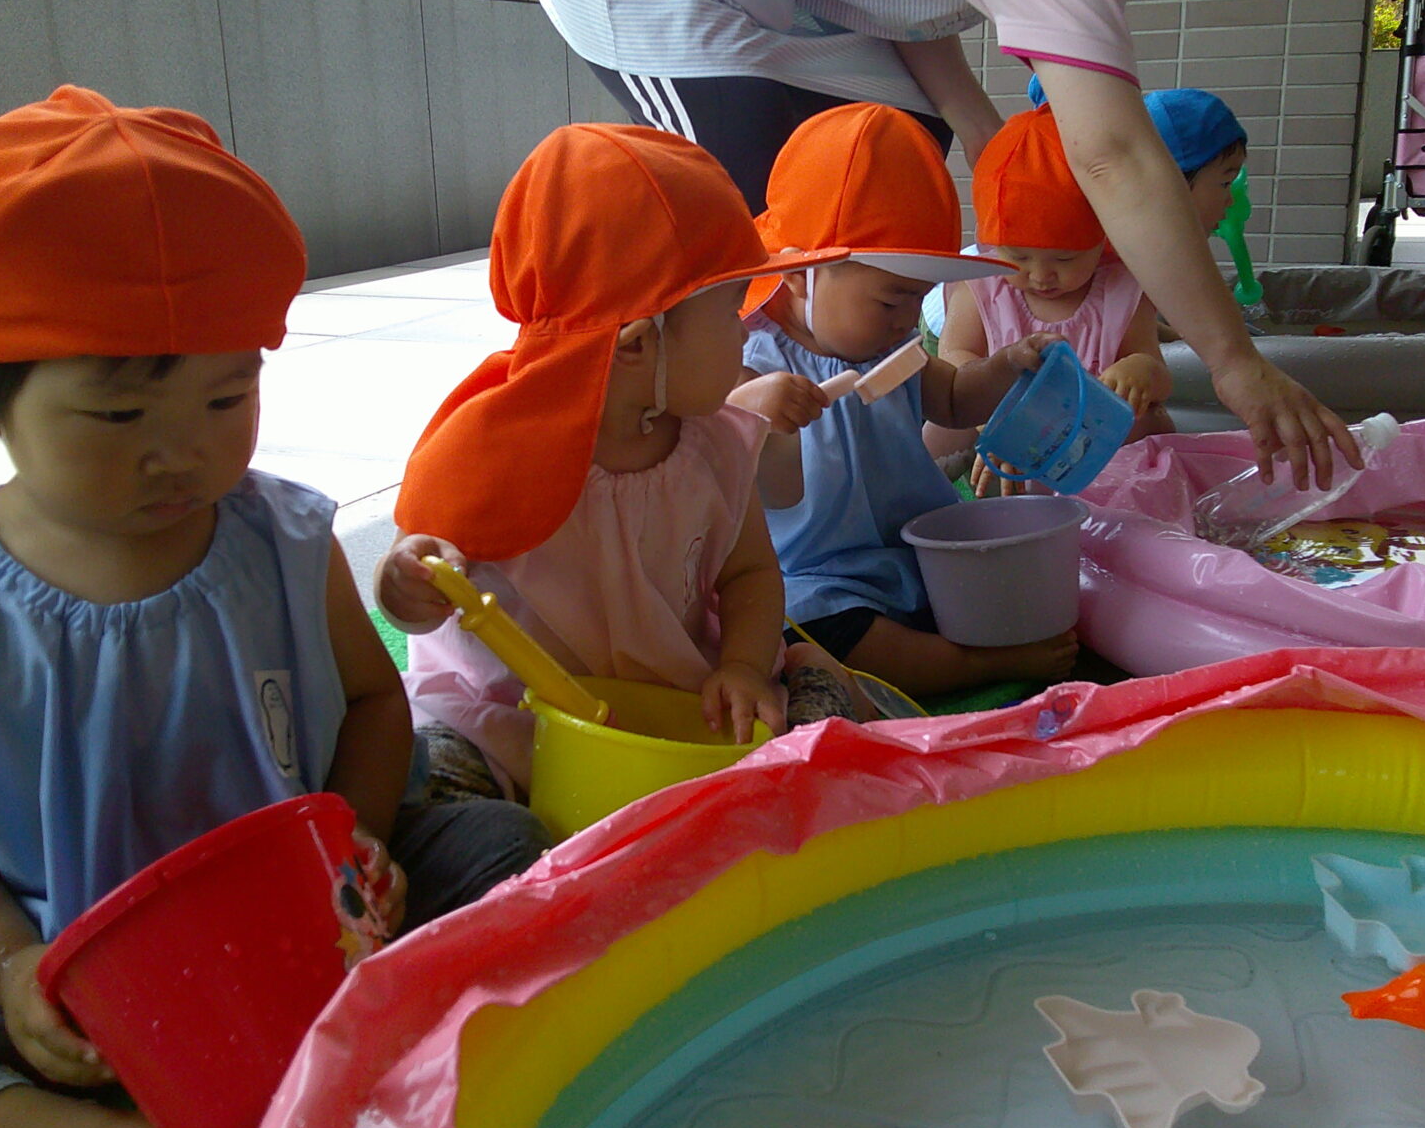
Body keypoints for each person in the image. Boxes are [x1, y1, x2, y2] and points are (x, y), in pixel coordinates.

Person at [0, 88, 546, 1128]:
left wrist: (358, 838)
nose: (181, 453)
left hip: (296, 925)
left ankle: (331, 1054)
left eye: (228, 396)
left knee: (503, 849)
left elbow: (376, 705)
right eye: (121, 417)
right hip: (54, 954)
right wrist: (6, 966)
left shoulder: (285, 539)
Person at [532, 0, 1360, 490]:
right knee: (743, 251)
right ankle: (672, 483)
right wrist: (1236, 364)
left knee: (895, 177)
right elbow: (1114, 153)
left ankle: (868, 484)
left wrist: (989, 146)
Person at [375, 124, 865, 808]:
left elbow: (751, 573)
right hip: (516, 719)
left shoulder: (717, 444)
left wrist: (743, 667)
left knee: (812, 696)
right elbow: (422, 563)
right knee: (438, 774)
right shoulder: (493, 448)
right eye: (731, 312)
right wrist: (404, 584)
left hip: (678, 703)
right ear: (638, 343)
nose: (744, 334)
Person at [729, 103, 1079, 697]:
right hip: (818, 573)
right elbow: (717, 448)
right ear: (796, 275)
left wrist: (1006, 366)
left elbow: (955, 399)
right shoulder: (755, 358)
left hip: (923, 548)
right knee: (816, 629)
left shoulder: (893, 351)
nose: (907, 320)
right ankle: (979, 665)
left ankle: (972, 640)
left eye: (918, 300)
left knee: (1013, 578)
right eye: (891, 301)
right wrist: (754, 407)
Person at [929, 106, 1175, 494]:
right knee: (941, 427)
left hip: (1094, 445)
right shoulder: (982, 285)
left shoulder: (1119, 291)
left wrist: (1139, 370)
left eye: (1065, 259)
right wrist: (998, 418)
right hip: (996, 426)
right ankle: (916, 498)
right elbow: (954, 359)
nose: (1041, 276)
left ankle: (1132, 504)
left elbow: (1158, 372)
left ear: (1102, 241)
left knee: (1151, 421)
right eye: (1019, 257)